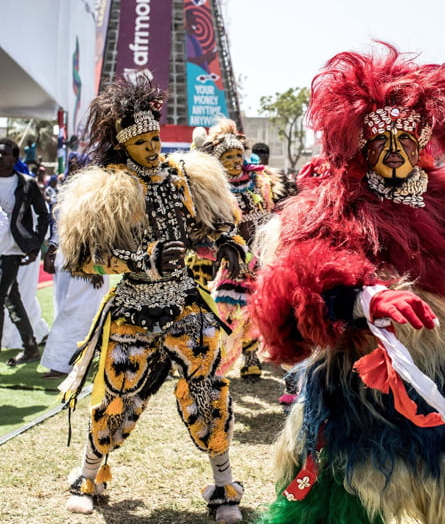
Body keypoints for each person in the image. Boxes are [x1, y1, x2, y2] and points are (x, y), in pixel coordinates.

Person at [249, 43, 445, 524]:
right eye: (382, 141)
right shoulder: (335, 203)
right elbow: (304, 278)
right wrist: (367, 298)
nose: (395, 152)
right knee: (344, 490)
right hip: (361, 379)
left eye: (406, 140)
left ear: (423, 144)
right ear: (362, 147)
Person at [55, 75, 245, 522]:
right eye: (140, 142)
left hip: (186, 303)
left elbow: (214, 223)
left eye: (154, 137)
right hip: (133, 311)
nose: (152, 147)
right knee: (117, 395)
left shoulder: (185, 176)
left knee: (209, 389)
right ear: (124, 146)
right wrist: (143, 261)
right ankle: (87, 475)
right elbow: (86, 260)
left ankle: (224, 486)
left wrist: (228, 239)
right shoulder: (105, 189)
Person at [198, 118, 273, 379]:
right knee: (228, 314)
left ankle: (252, 358)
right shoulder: (216, 189)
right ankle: (217, 369)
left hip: (262, 258)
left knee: (257, 313)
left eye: (238, 155)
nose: (234, 161)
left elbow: (271, 213)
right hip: (234, 260)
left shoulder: (261, 181)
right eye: (227, 157)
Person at [39, 153, 109, 380]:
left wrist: (95, 266)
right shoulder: (71, 193)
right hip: (71, 262)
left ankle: (66, 363)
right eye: (72, 166)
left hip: (84, 264)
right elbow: (61, 228)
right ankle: (66, 363)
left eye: (79, 166)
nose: (74, 169)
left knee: (80, 312)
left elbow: (98, 234)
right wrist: (51, 250)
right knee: (69, 311)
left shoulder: (91, 195)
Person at [0, 137, 49, 366]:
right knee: (11, 297)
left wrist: (35, 243)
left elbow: (43, 215)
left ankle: (28, 346)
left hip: (12, 250)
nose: (0, 157)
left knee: (3, 297)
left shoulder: (27, 184)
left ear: (14, 158)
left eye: (5, 153)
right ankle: (30, 346)